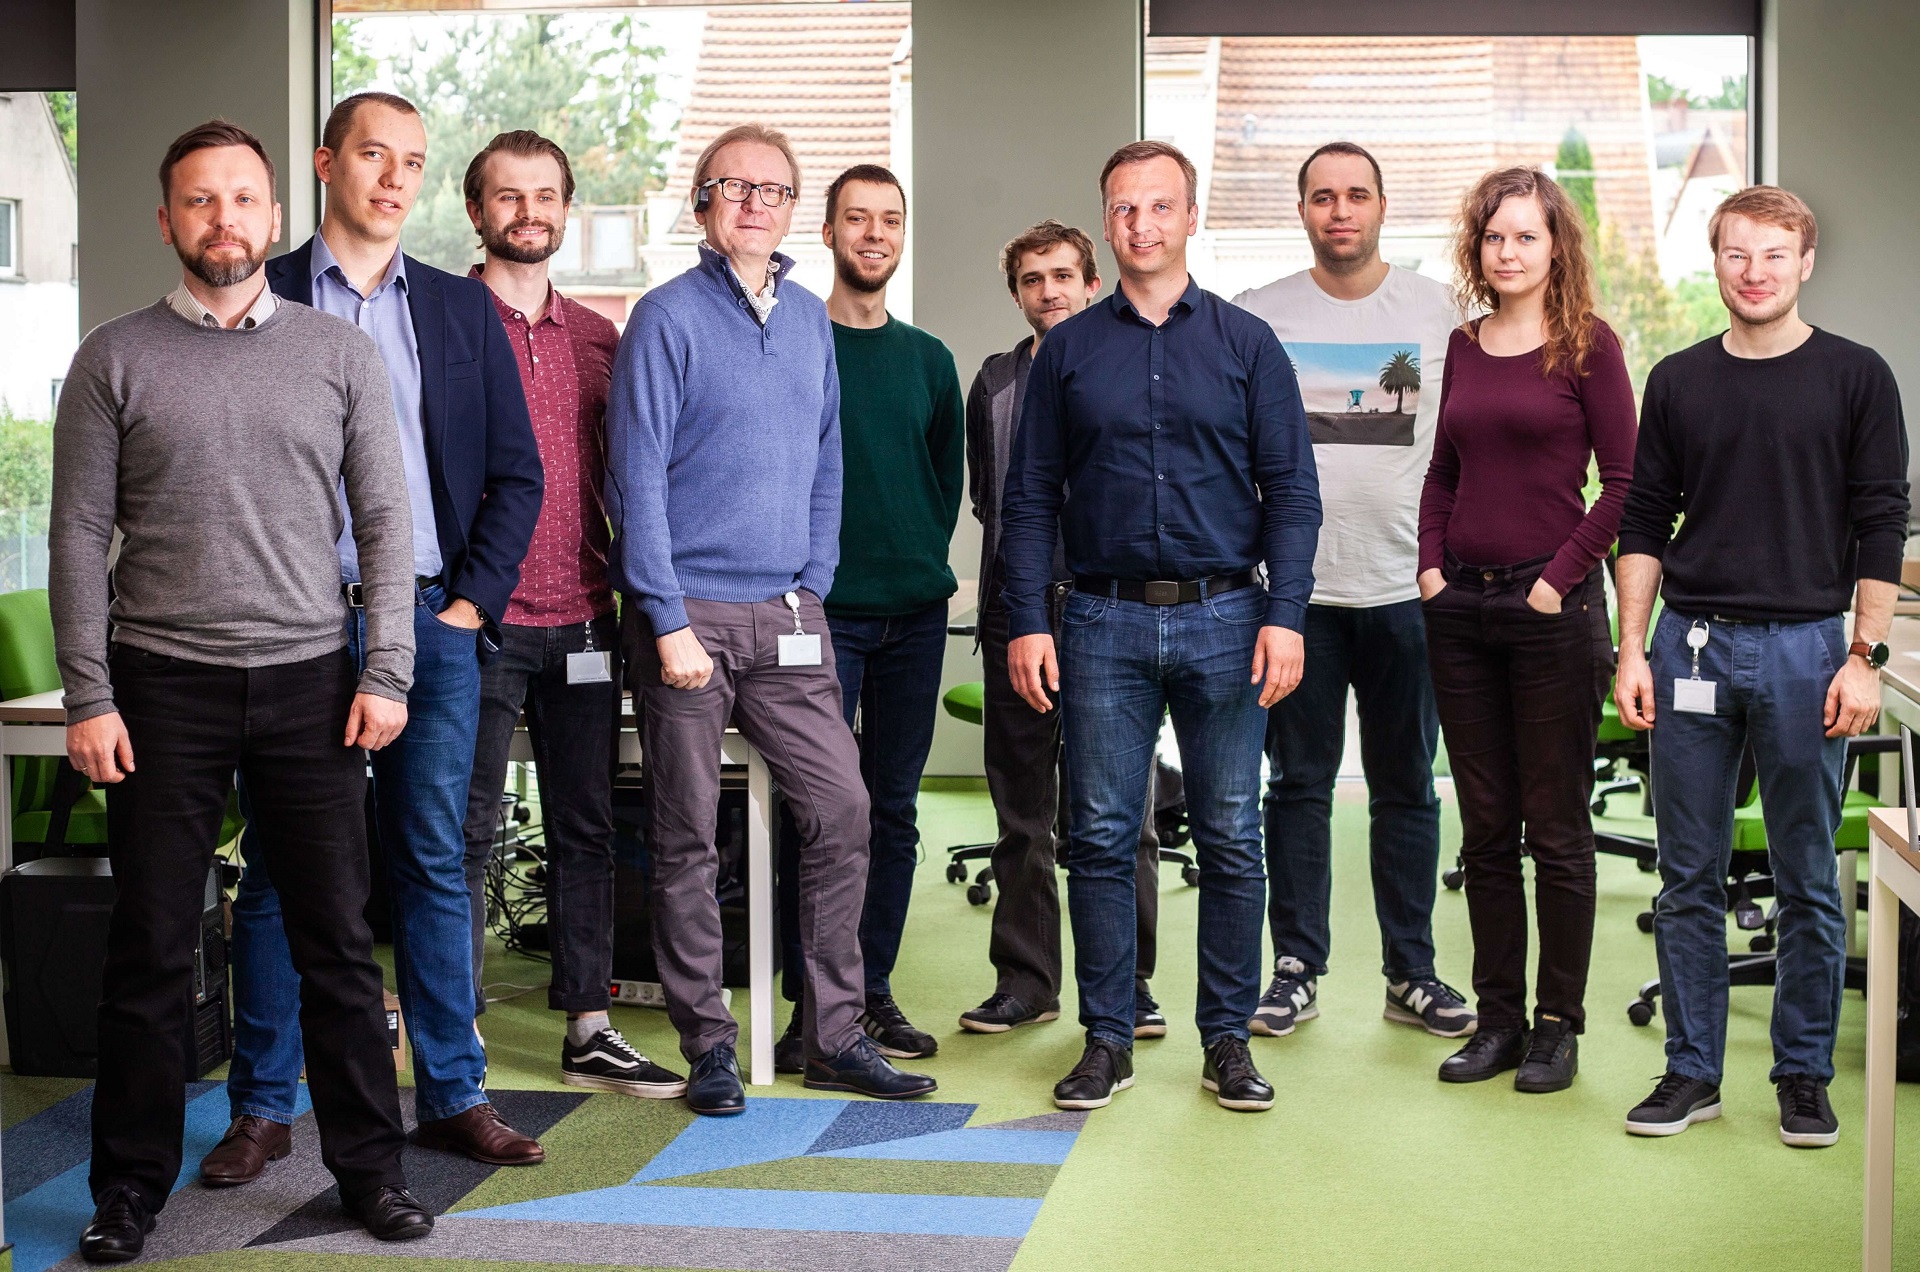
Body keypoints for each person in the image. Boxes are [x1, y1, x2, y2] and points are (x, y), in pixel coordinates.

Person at [53, 120, 432, 1260]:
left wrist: (389, 668)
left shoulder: (337, 353)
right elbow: (75, 535)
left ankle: (371, 1172)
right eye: (201, 202)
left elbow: (384, 523)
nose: (226, 221)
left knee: (335, 944)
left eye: (245, 200)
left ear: (275, 217)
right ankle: (128, 1190)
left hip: (314, 680)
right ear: (167, 222)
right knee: (153, 947)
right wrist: (87, 692)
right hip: (160, 687)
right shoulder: (113, 357)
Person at [213, 90, 547, 1177]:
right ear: (325, 164)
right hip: (293, 627)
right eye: (373, 155)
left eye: (412, 159)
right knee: (279, 869)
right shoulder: (263, 297)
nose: (395, 177)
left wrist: (464, 608)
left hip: (428, 623)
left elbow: (516, 475)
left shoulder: (456, 311)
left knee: (433, 863)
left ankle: (451, 1093)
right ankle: (263, 1107)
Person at [606, 122, 936, 1116]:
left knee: (843, 808)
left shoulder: (803, 319)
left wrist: (816, 578)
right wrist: (662, 616)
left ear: (796, 212)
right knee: (686, 834)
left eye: (775, 190)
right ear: (704, 204)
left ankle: (832, 1033)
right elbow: (636, 476)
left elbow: (827, 455)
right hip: (689, 615)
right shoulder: (663, 319)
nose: (756, 203)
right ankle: (707, 1039)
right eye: (735, 187)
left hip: (790, 616)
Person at [1002, 140, 1321, 1113]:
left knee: (1230, 836)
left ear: (1190, 217)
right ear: (1109, 224)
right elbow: (1029, 500)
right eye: (1124, 209)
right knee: (1098, 838)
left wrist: (1288, 615)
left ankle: (1227, 1039)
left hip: (1230, 616)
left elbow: (1293, 494)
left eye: (1159, 206)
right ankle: (1107, 1038)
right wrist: (1026, 620)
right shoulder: (1068, 351)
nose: (1141, 223)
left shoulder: (1246, 343)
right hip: (1099, 619)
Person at [1614, 187, 1908, 1147]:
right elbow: (1645, 521)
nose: (1754, 272)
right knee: (1687, 874)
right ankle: (1691, 1072)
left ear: (1805, 262)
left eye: (1773, 255)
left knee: (1806, 874)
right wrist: (1631, 647)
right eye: (1737, 254)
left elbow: (1880, 523)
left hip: (1808, 651)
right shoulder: (1680, 381)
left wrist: (1865, 658)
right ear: (1716, 262)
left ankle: (1802, 1076)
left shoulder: (1857, 377)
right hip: (1690, 641)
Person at [455, 130, 683, 1099]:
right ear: (477, 211)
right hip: (478, 623)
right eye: (509, 196)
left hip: (587, 617)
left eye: (545, 195)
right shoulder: (445, 326)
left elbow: (633, 479)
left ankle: (588, 1023)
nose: (529, 212)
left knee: (587, 828)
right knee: (460, 831)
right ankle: (450, 1029)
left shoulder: (601, 339)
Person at [1231, 141, 1473, 1042]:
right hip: (1297, 601)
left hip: (1410, 589)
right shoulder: (1257, 316)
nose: (1341, 211)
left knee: (1409, 784)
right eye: (1324, 196)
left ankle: (1410, 970)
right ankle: (1295, 968)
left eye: (1357, 195)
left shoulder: (1443, 313)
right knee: (1296, 784)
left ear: (1381, 207)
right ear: (1303, 210)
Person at [1416, 166, 1635, 1094]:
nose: (1508, 253)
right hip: (1459, 612)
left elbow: (1625, 486)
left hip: (1552, 617)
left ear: (1557, 249)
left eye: (1526, 238)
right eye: (1495, 238)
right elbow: (1443, 473)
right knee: (1485, 831)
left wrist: (1555, 581)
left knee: (1556, 830)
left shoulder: (1590, 346)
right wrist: (1430, 569)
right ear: (1480, 247)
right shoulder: (1463, 347)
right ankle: (1498, 1020)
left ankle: (1558, 1027)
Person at [767, 164, 963, 1065]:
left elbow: (942, 487)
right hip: (820, 615)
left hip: (914, 616)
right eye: (857, 218)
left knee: (892, 810)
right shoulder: (795, 339)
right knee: (813, 811)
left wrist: (915, 559)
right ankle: (809, 999)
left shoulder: (929, 360)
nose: (874, 233)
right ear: (832, 232)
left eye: (889, 219)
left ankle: (869, 993)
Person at [959, 219, 1169, 1040]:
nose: (1048, 291)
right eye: (1031, 279)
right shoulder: (996, 382)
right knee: (1022, 816)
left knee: (1123, 815)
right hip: (1020, 616)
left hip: (1110, 616)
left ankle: (1132, 985)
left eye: (1062, 275)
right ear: (1017, 294)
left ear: (1092, 283)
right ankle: (1026, 981)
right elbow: (993, 501)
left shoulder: (1128, 367)